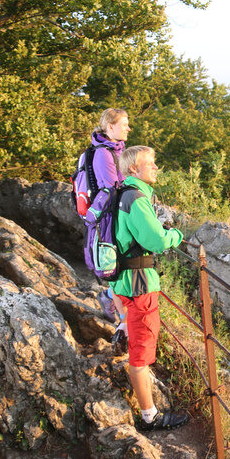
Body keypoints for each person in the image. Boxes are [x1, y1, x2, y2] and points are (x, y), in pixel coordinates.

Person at [110, 145, 188, 431]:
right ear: (134, 168)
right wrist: (175, 235)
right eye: (150, 163)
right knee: (140, 355)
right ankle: (149, 416)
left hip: (123, 280)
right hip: (138, 284)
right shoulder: (136, 199)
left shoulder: (122, 193)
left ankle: (124, 328)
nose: (156, 167)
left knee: (137, 337)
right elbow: (156, 241)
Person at [89, 109, 131, 339]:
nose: (128, 128)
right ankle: (123, 321)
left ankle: (108, 297)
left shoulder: (117, 150)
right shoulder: (103, 153)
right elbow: (111, 188)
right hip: (110, 219)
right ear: (110, 127)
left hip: (117, 215)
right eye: (124, 124)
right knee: (115, 267)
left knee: (122, 264)